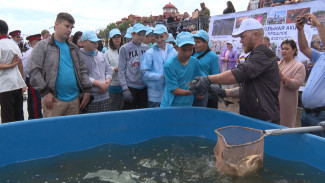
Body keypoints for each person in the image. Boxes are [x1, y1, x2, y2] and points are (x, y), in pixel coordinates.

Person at [189, 18, 280, 124]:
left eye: (243, 36)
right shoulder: (256, 55)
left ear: (255, 35)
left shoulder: (263, 54)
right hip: (255, 117)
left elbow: (238, 73)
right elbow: (246, 89)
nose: (241, 40)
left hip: (263, 119)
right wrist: (223, 92)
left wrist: (208, 79)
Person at [28, 12, 92, 118]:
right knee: (53, 133)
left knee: (72, 133)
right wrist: (45, 92)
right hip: (53, 101)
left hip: (74, 101)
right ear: (56, 25)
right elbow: (34, 71)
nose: (70, 30)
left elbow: (83, 70)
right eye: (67, 26)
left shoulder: (74, 48)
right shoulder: (42, 46)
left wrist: (87, 91)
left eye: (72, 27)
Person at [296, 13, 325, 137]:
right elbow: (303, 48)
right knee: (307, 151)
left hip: (320, 115)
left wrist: (318, 24)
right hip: (306, 113)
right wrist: (300, 29)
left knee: (319, 152)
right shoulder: (321, 56)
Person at [160, 32, 205, 107]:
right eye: (184, 50)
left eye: (190, 49)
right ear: (176, 47)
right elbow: (175, 90)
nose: (187, 53)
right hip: (170, 106)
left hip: (187, 105)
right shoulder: (169, 65)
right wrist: (194, 92)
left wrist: (203, 90)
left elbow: (203, 78)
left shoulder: (195, 62)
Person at [141, 24, 177, 107]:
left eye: (161, 36)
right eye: (156, 37)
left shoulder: (173, 52)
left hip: (171, 93)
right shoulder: (150, 53)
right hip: (155, 96)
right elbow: (144, 74)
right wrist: (160, 77)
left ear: (167, 36)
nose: (159, 40)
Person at [79, 31, 113, 113]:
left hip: (105, 96)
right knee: (92, 122)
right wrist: (99, 84)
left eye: (96, 41)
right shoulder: (79, 56)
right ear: (84, 43)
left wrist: (107, 82)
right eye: (92, 42)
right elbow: (81, 75)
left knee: (105, 121)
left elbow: (108, 69)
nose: (96, 44)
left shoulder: (101, 55)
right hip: (91, 98)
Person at [118, 23, 150, 109]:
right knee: (129, 114)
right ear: (132, 34)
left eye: (143, 35)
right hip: (130, 87)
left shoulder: (147, 48)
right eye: (139, 34)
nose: (142, 37)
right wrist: (125, 88)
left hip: (144, 86)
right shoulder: (124, 48)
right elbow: (121, 70)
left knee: (143, 113)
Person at [0, 19, 26, 123]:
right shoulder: (13, 44)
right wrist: (23, 83)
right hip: (17, 84)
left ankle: (9, 139)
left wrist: (10, 65)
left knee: (7, 117)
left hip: (5, 85)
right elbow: (20, 64)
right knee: (19, 116)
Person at [278, 39, 306, 127]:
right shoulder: (277, 63)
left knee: (284, 128)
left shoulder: (299, 66)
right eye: (282, 49)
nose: (283, 51)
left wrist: (282, 77)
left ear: (294, 50)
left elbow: (296, 84)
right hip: (273, 102)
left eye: (287, 49)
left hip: (287, 103)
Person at [192, 30, 219, 107]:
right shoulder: (192, 53)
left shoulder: (213, 56)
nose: (195, 44)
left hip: (204, 94)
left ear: (206, 43)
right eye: (194, 42)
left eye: (198, 42)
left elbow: (215, 77)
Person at [22, 34, 43, 119]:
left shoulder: (36, 51)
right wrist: (23, 82)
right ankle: (35, 118)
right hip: (32, 79)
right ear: (34, 42)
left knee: (34, 100)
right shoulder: (30, 53)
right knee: (35, 101)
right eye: (39, 41)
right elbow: (24, 67)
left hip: (36, 79)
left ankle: (33, 117)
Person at [105, 28, 124, 111]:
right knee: (113, 108)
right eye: (114, 37)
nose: (117, 39)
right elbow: (105, 68)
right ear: (111, 39)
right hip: (113, 86)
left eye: (118, 37)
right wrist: (115, 69)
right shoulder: (107, 53)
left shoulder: (125, 49)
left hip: (124, 85)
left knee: (123, 108)